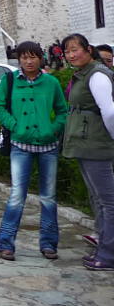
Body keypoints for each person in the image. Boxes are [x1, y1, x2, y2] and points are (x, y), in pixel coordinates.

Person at [0, 41, 68, 261]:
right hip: (20, 146)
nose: (28, 61)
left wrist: (53, 128)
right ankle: (6, 244)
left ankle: (49, 243)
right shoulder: (10, 81)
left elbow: (63, 111)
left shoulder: (51, 82)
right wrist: (15, 126)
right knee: (16, 195)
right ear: (19, 59)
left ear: (40, 58)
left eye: (33, 57)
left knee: (48, 197)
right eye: (24, 57)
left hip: (48, 147)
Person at [61, 33, 114, 271]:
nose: (72, 55)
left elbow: (110, 112)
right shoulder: (83, 74)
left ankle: (109, 253)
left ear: (88, 49)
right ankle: (103, 246)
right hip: (85, 144)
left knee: (108, 201)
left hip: (96, 145)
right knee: (98, 199)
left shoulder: (97, 75)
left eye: (76, 50)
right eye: (68, 52)